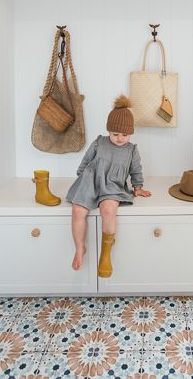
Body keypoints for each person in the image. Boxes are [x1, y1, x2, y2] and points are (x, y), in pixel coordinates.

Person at [66, 95, 152, 277]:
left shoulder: (132, 150)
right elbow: (86, 160)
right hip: (91, 182)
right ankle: (80, 247)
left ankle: (105, 254)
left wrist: (138, 187)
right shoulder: (99, 142)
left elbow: (136, 170)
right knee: (77, 211)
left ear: (131, 133)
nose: (120, 138)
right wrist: (81, 179)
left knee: (108, 210)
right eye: (115, 134)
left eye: (124, 135)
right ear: (108, 131)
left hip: (112, 186)